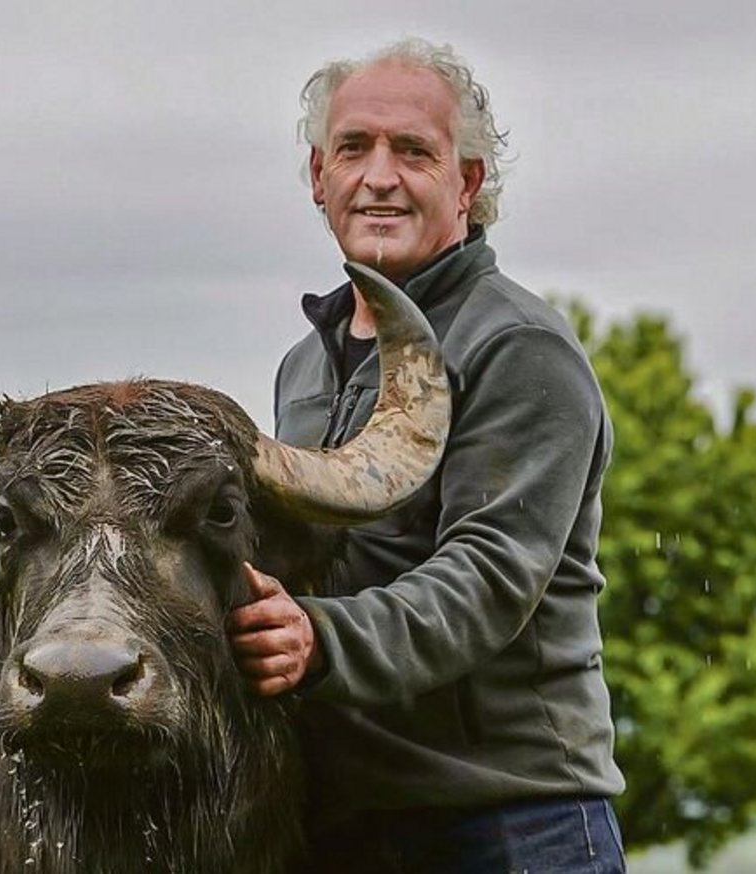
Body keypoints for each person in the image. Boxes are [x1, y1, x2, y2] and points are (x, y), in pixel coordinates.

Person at [227, 38, 627, 872]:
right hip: (344, 820)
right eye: (353, 148)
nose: (379, 176)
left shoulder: (516, 346)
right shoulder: (304, 366)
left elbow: (489, 574)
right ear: (317, 176)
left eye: (413, 151)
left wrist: (320, 641)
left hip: (507, 820)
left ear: (467, 183)